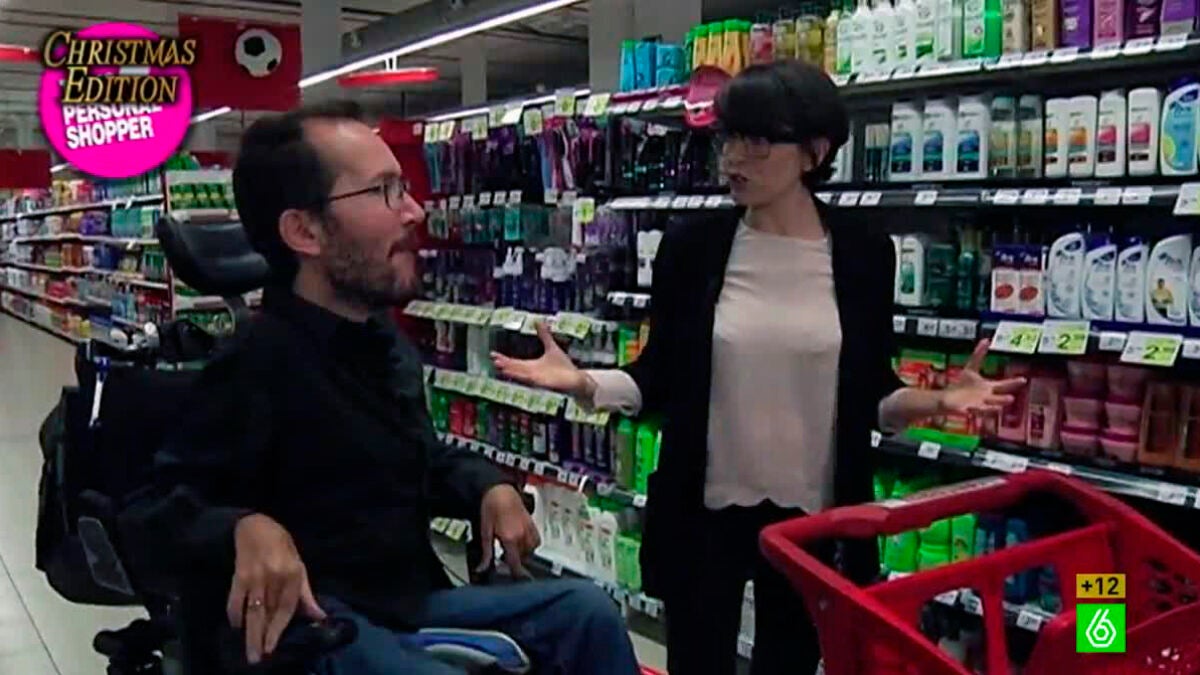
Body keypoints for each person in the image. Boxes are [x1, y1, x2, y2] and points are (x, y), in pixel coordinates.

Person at [491, 60, 1024, 675]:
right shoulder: (692, 247)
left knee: (790, 665)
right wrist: (584, 383)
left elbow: (870, 394)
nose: (733, 159)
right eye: (728, 139)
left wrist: (937, 402)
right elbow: (657, 376)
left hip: (813, 523)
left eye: (758, 142)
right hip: (704, 515)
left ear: (815, 152)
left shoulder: (864, 252)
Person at [142, 99, 640, 675]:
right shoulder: (254, 366)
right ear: (304, 231)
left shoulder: (380, 343)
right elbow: (152, 513)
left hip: (402, 603)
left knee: (588, 612)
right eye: (384, 191)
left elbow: (417, 460)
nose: (414, 210)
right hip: (314, 623)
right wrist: (240, 528)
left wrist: (487, 487)